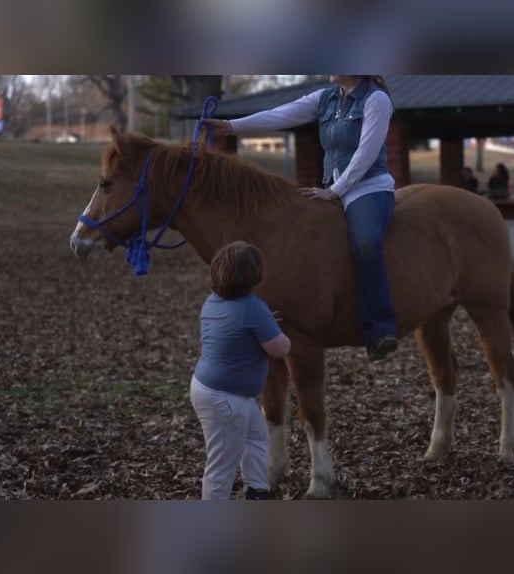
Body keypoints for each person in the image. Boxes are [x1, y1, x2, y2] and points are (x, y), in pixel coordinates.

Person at [203, 75, 398, 362]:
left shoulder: (376, 99)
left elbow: (366, 153)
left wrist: (335, 190)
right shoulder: (326, 98)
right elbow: (280, 115)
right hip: (332, 187)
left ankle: (379, 328)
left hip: (367, 187)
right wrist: (232, 127)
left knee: (366, 245)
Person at [189, 241, 291, 500]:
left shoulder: (213, 302)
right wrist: (278, 333)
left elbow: (238, 330)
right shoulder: (253, 308)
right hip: (225, 399)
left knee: (256, 439)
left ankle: (257, 491)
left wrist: (264, 325)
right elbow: (279, 349)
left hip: (218, 391)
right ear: (253, 276)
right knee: (222, 464)